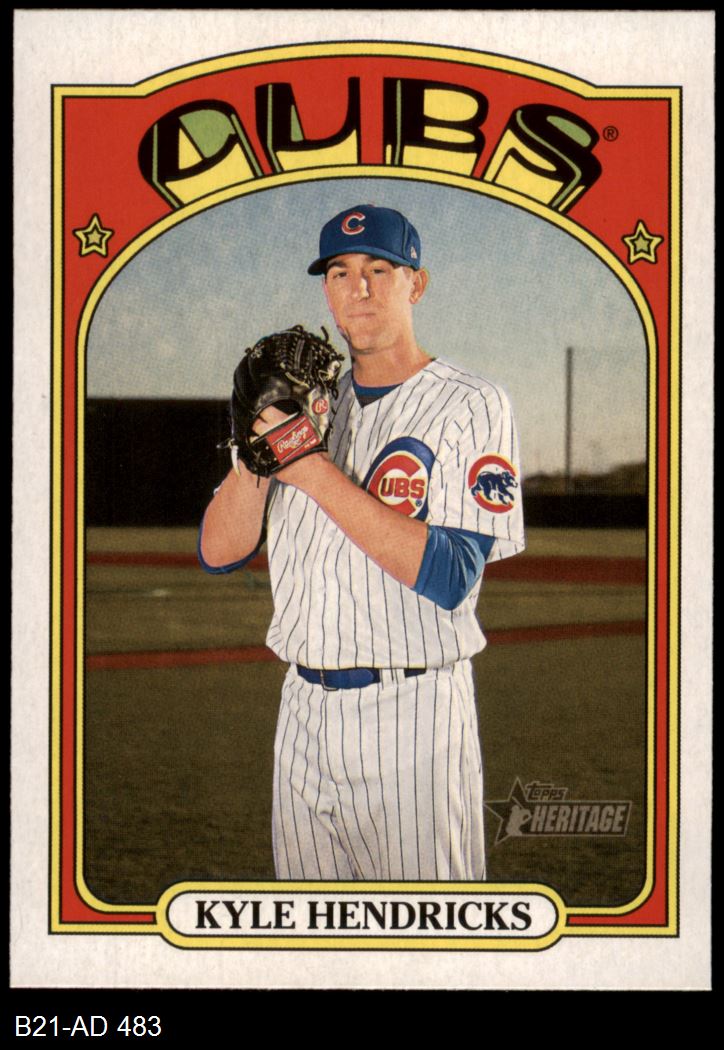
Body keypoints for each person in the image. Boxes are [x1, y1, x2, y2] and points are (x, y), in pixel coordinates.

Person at [199, 203, 525, 881]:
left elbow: (450, 575)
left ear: (416, 283)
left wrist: (307, 464)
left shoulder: (471, 403)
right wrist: (258, 451)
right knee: (313, 935)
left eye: (380, 269)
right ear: (327, 291)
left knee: (429, 933)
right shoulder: (309, 401)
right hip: (302, 712)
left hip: (412, 714)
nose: (361, 288)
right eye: (341, 273)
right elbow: (219, 551)